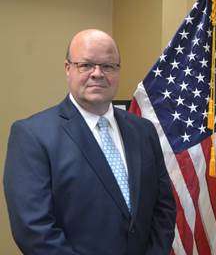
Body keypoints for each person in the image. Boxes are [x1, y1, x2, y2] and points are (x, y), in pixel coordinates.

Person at [3, 29, 176, 255]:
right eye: (86, 65)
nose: (97, 74)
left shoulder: (143, 131)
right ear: (68, 69)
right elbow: (34, 229)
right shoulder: (32, 135)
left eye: (108, 66)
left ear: (118, 71)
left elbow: (163, 208)